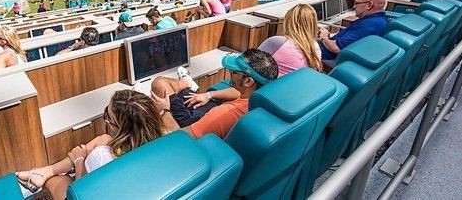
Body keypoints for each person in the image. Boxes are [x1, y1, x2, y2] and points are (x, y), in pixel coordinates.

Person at [14, 90, 166, 198]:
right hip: (141, 189)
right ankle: (46, 170)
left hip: (92, 192)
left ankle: (47, 175)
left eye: (108, 114)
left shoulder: (101, 157)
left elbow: (80, 193)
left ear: (118, 127)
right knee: (104, 138)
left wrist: (78, 161)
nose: (105, 115)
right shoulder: (165, 138)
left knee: (57, 181)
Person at [150, 49, 278, 139]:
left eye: (234, 72)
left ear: (248, 81)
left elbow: (180, 138)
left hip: (192, 127)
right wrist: (209, 95)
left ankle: (186, 82)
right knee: (162, 84)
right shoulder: (265, 97)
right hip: (207, 117)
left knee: (159, 84)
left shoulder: (224, 114)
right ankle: (187, 82)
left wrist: (163, 111)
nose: (230, 74)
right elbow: (238, 93)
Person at [319, 0, 388, 68]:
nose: (354, 7)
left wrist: (324, 38)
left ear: (369, 5)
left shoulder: (367, 26)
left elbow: (336, 48)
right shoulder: (378, 20)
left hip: (325, 57)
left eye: (356, 3)